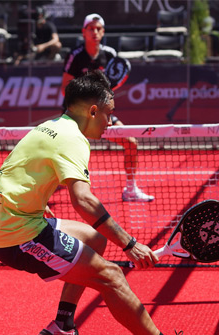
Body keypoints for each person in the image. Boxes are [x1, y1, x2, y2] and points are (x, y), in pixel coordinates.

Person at [0, 70, 180, 335]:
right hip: (17, 235)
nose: (110, 122)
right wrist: (131, 245)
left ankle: (62, 326)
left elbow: (16, 169)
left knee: (95, 240)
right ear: (92, 110)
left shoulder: (50, 126)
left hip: (11, 219)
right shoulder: (73, 139)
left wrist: (35, 202)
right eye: (108, 114)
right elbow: (83, 200)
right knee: (112, 276)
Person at [61, 13, 154, 202]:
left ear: (103, 32)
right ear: (84, 32)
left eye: (98, 29)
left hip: (102, 114)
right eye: (90, 29)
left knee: (131, 142)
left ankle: (130, 189)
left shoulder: (110, 55)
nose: (94, 32)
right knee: (61, 157)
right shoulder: (75, 56)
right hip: (77, 116)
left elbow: (110, 90)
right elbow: (65, 88)